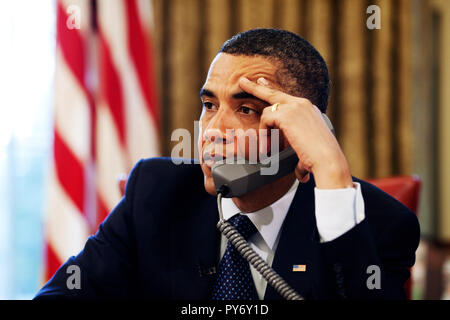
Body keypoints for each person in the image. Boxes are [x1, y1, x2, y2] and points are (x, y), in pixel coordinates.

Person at [35, 28, 420, 300]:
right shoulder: (156, 192)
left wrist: (331, 175)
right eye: (209, 106)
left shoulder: (381, 223)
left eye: (247, 109)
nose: (212, 130)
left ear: (303, 134)